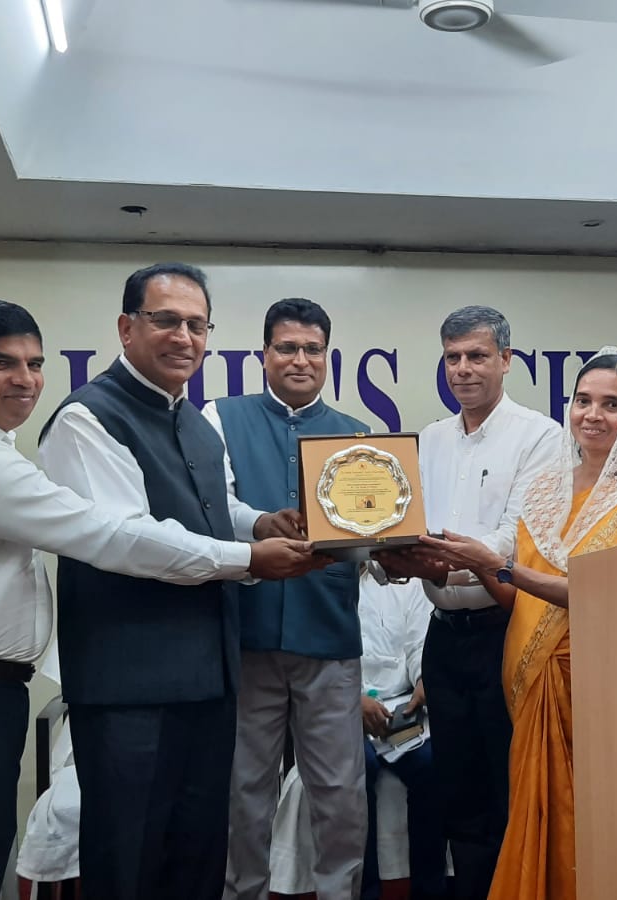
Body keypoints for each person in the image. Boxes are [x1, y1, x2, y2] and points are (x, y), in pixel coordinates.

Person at [0, 296, 315, 900]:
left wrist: (254, 526)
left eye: (34, 363)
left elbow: (192, 510)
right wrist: (248, 560)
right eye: (1, 363)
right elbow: (107, 534)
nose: (24, 379)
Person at [37, 263, 324, 900]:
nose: (184, 337)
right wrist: (249, 558)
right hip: (128, 686)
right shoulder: (88, 418)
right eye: (166, 320)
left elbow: (210, 509)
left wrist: (259, 524)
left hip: (208, 679)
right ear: (126, 327)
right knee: (130, 861)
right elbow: (129, 538)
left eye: (197, 325)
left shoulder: (193, 422)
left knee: (196, 859)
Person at [419, 348, 617, 900]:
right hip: (528, 685)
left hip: (601, 691)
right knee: (502, 811)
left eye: (612, 404)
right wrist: (459, 566)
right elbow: (515, 600)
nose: (592, 415)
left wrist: (497, 563)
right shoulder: (547, 492)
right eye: (583, 400)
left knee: (591, 820)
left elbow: (604, 597)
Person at [378, 305, 561, 900]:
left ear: (506, 360)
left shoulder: (540, 437)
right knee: (456, 789)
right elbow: (407, 529)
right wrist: (391, 556)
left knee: (508, 785)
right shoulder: (429, 439)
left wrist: (440, 557)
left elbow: (513, 542)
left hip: (505, 632)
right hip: (445, 636)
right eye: (453, 357)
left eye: (477, 356)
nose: (463, 369)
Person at [203, 298, 372, 900]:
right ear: (264, 355)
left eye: (312, 349)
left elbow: (370, 532)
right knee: (244, 790)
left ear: (327, 357)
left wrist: (392, 552)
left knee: (340, 791)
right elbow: (212, 502)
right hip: (246, 634)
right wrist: (258, 524)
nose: (300, 360)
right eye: (287, 348)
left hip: (327, 633)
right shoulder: (220, 417)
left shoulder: (358, 436)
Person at [356, 570, 448, 900]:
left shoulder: (407, 584)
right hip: (344, 706)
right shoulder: (331, 582)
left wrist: (423, 679)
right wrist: (354, 700)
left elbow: (418, 644)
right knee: (359, 768)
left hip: (401, 707)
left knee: (430, 764)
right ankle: (365, 892)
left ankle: (430, 891)